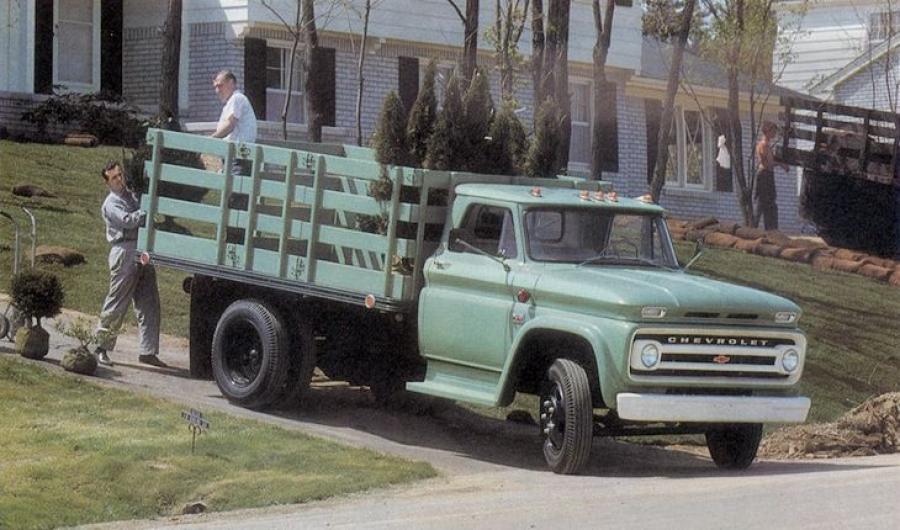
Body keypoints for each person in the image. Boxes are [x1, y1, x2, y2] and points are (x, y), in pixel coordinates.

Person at [94, 161, 165, 367]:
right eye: (114, 177)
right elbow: (129, 220)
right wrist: (146, 212)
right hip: (124, 250)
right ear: (108, 182)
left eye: (120, 175)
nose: (119, 179)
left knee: (149, 301)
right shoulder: (111, 203)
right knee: (117, 301)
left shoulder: (131, 195)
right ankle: (101, 347)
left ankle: (148, 351)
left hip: (141, 250)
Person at [755, 121, 788, 230]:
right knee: (765, 203)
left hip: (768, 175)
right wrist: (781, 165)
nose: (774, 134)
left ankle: (770, 228)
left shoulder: (767, 145)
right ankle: (764, 228)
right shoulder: (763, 145)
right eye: (773, 131)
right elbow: (768, 164)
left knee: (768, 202)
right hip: (765, 176)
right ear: (767, 131)